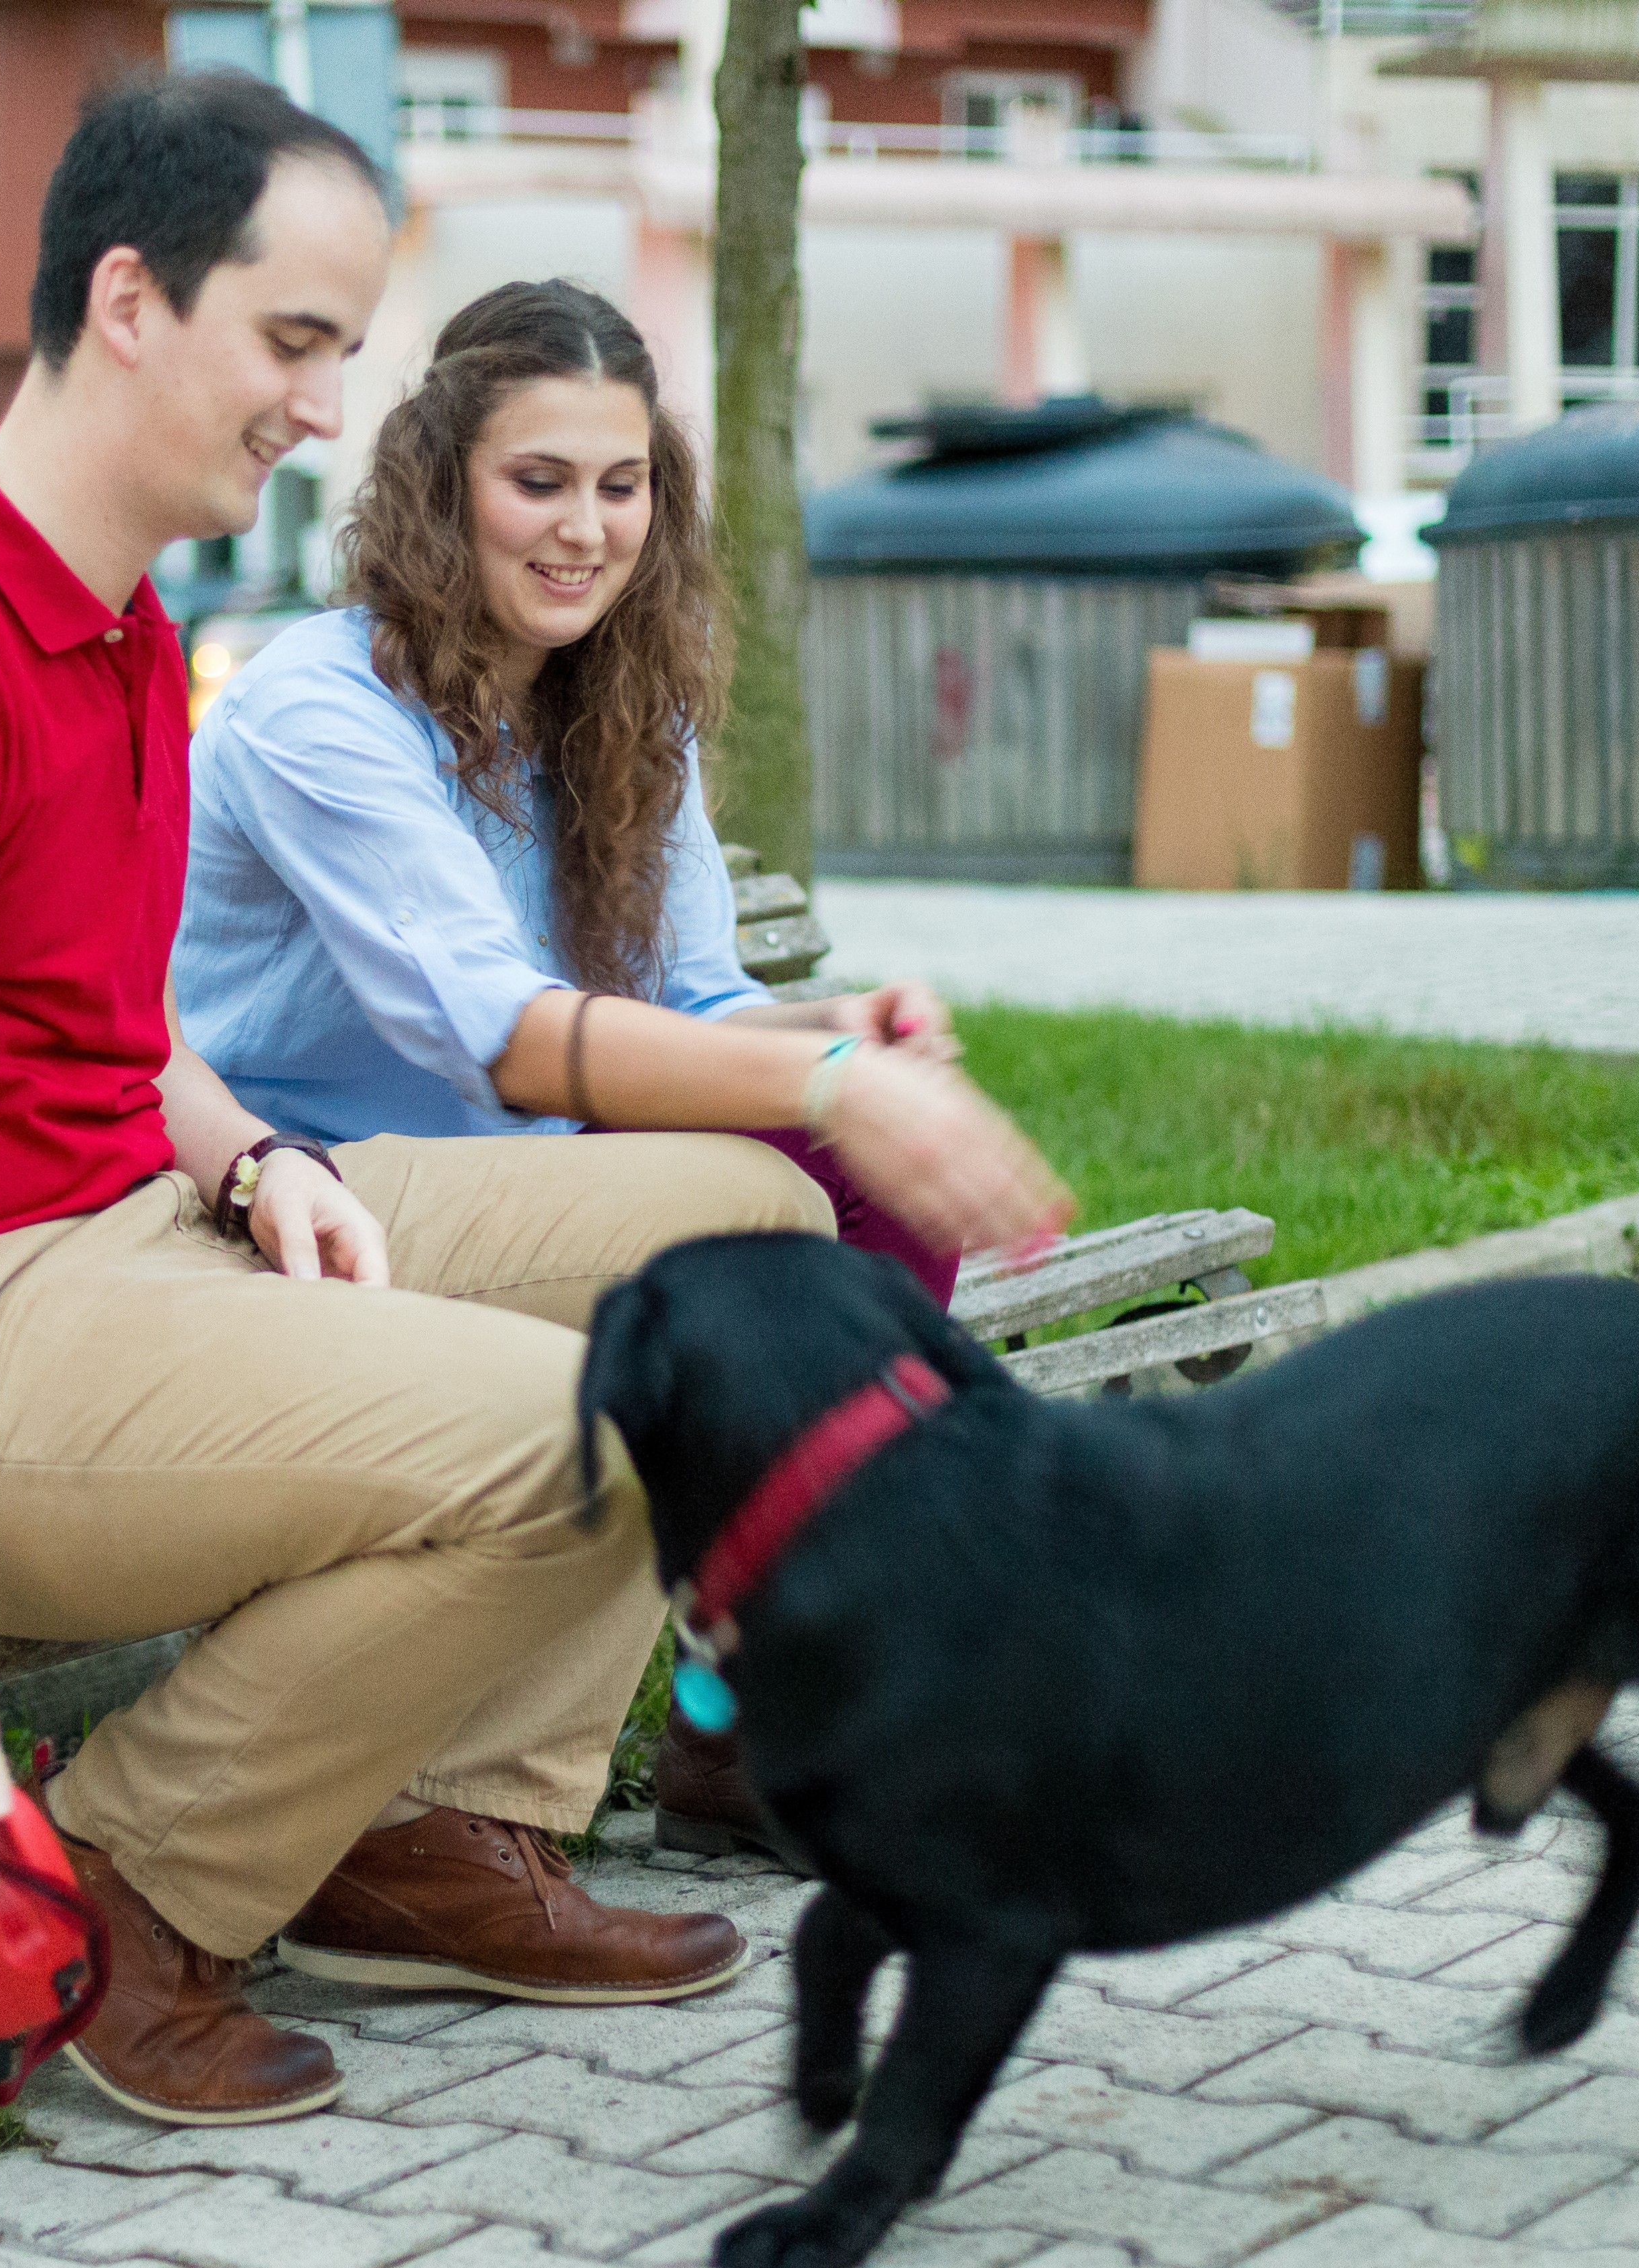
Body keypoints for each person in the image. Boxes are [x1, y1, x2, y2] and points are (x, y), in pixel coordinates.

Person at [0, 76, 914, 2131]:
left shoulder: (124, 627)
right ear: (131, 301)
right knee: (583, 1434)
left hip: (122, 1251)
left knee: (741, 1244)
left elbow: (107, 1023)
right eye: (297, 344)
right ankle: (134, 1888)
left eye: (344, 351)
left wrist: (254, 1166)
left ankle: (427, 1836)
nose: (329, 409)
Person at [173, 280, 1077, 1865]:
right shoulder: (318, 714)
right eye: (539, 483)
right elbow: (505, 1038)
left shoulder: (618, 711)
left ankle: (740, 1718)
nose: (586, 530)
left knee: (851, 1174)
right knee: (740, 1211)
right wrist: (820, 1094)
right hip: (294, 1202)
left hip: (518, 1186)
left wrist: (833, 1040)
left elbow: (700, 1000)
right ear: (440, 483)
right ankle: (471, 1823)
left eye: (622, 484)